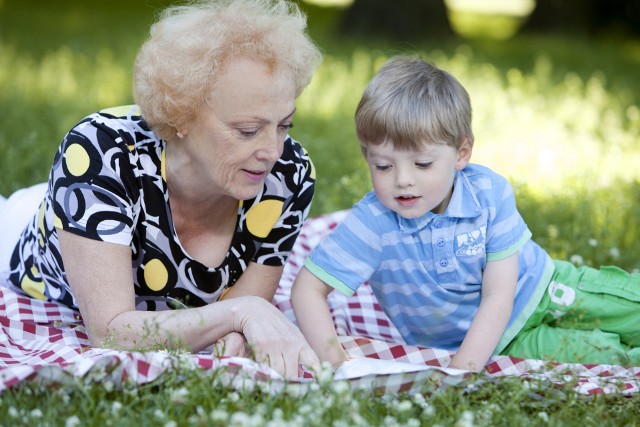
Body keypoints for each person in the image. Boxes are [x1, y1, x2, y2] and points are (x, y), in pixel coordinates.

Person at [0, 0, 323, 379]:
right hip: (33, 233)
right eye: (247, 131)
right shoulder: (99, 152)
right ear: (181, 116)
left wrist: (242, 317)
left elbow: (236, 328)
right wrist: (242, 313)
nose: (272, 151)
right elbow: (110, 332)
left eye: (285, 125)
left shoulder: (289, 175)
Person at [291, 56, 640, 371]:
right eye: (383, 166)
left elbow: (498, 295)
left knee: (630, 310)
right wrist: (338, 367)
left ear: (461, 153)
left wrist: (461, 370)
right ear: (367, 156)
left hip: (546, 289)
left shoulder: (488, 193)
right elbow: (307, 289)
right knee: (607, 357)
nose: (403, 180)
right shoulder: (374, 223)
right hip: (502, 344)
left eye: (423, 163)